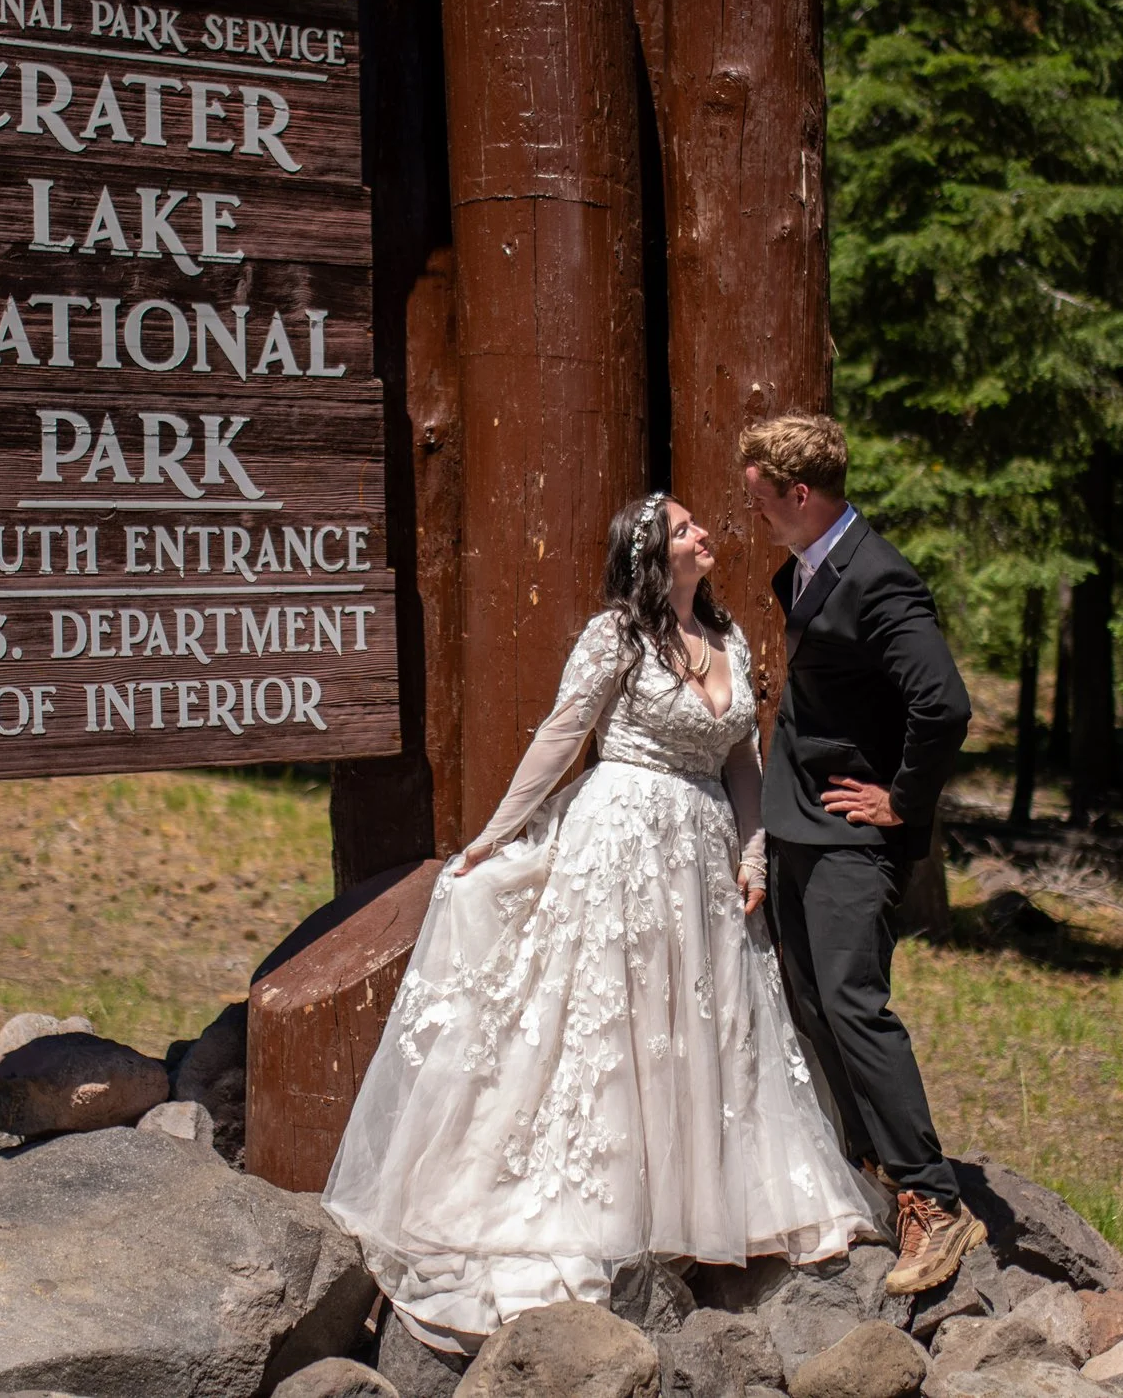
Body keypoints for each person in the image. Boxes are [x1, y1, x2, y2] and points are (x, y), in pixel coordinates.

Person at [322, 493, 875, 1352]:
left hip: (700, 851)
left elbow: (741, 757)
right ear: (654, 551)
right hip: (619, 841)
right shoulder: (615, 635)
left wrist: (753, 850)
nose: (704, 533)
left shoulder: (727, 636)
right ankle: (607, 1210)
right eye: (686, 527)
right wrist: (495, 834)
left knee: (701, 1022)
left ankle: (708, 1207)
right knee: (612, 1024)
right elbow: (560, 735)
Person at [738, 413, 983, 1297]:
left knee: (853, 1002)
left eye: (761, 497)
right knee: (810, 1002)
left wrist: (902, 799)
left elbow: (943, 704)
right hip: (802, 825)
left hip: (852, 839)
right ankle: (872, 1170)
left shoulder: (881, 579)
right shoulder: (806, 567)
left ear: (799, 494)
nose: (753, 512)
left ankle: (934, 1196)